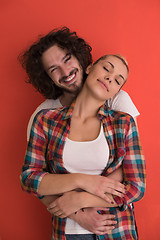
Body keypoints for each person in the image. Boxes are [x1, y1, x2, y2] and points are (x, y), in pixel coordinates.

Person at [19, 27, 140, 235]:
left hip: (116, 225)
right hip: (68, 227)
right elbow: (35, 179)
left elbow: (131, 169)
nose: (65, 72)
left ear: (84, 62)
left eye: (67, 59)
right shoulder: (44, 116)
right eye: (53, 69)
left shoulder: (117, 102)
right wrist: (78, 212)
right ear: (47, 77)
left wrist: (84, 198)